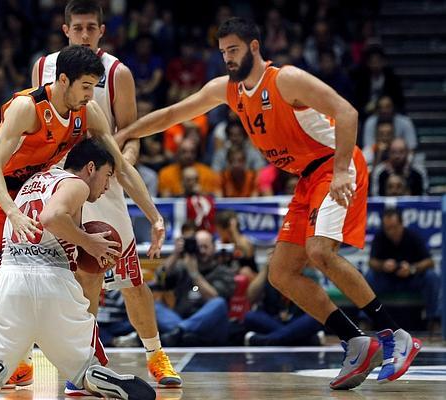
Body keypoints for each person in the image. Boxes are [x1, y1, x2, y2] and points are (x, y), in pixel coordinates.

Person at [115, 17, 422, 390]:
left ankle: (395, 335)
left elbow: (347, 112)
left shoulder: (285, 79)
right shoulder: (227, 89)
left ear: (254, 47)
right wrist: (127, 132)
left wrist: (342, 170)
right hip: (308, 178)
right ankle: (355, 339)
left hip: (333, 165)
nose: (228, 58)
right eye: (223, 51)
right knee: (280, 273)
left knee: (320, 251)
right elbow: (172, 115)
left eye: (234, 49)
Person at [0, 44, 165, 398]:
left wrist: (154, 214)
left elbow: (119, 165)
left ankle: (63, 364)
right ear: (62, 80)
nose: (90, 95)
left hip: (30, 196)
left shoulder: (85, 112)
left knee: (57, 272)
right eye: (85, 86)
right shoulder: (27, 108)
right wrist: (12, 212)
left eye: (94, 87)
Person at [31, 0, 181, 391]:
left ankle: (155, 355)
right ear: (66, 30)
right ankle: (82, 362)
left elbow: (129, 138)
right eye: (77, 27)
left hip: (104, 181)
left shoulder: (117, 73)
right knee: (77, 275)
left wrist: (114, 170)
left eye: (90, 28)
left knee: (130, 280)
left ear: (101, 31)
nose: (84, 33)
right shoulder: (42, 67)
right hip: (59, 183)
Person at [367, 208, 440, 326]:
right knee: (370, 276)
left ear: (401, 224)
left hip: (411, 279)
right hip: (388, 280)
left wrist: (412, 268)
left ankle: (435, 320)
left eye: (394, 227)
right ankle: (366, 320)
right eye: (387, 228)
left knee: (431, 277)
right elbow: (371, 262)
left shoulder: (413, 236)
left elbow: (430, 262)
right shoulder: (380, 236)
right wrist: (383, 265)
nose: (391, 231)